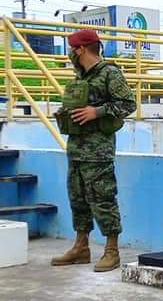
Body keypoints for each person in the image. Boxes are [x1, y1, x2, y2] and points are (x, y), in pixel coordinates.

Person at [51, 29, 135, 272]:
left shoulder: (110, 73)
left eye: (72, 49)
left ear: (81, 49)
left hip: (98, 151)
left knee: (103, 197)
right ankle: (81, 247)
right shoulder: (80, 78)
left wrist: (95, 112)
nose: (70, 54)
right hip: (76, 148)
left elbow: (128, 104)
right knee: (77, 198)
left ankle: (112, 251)